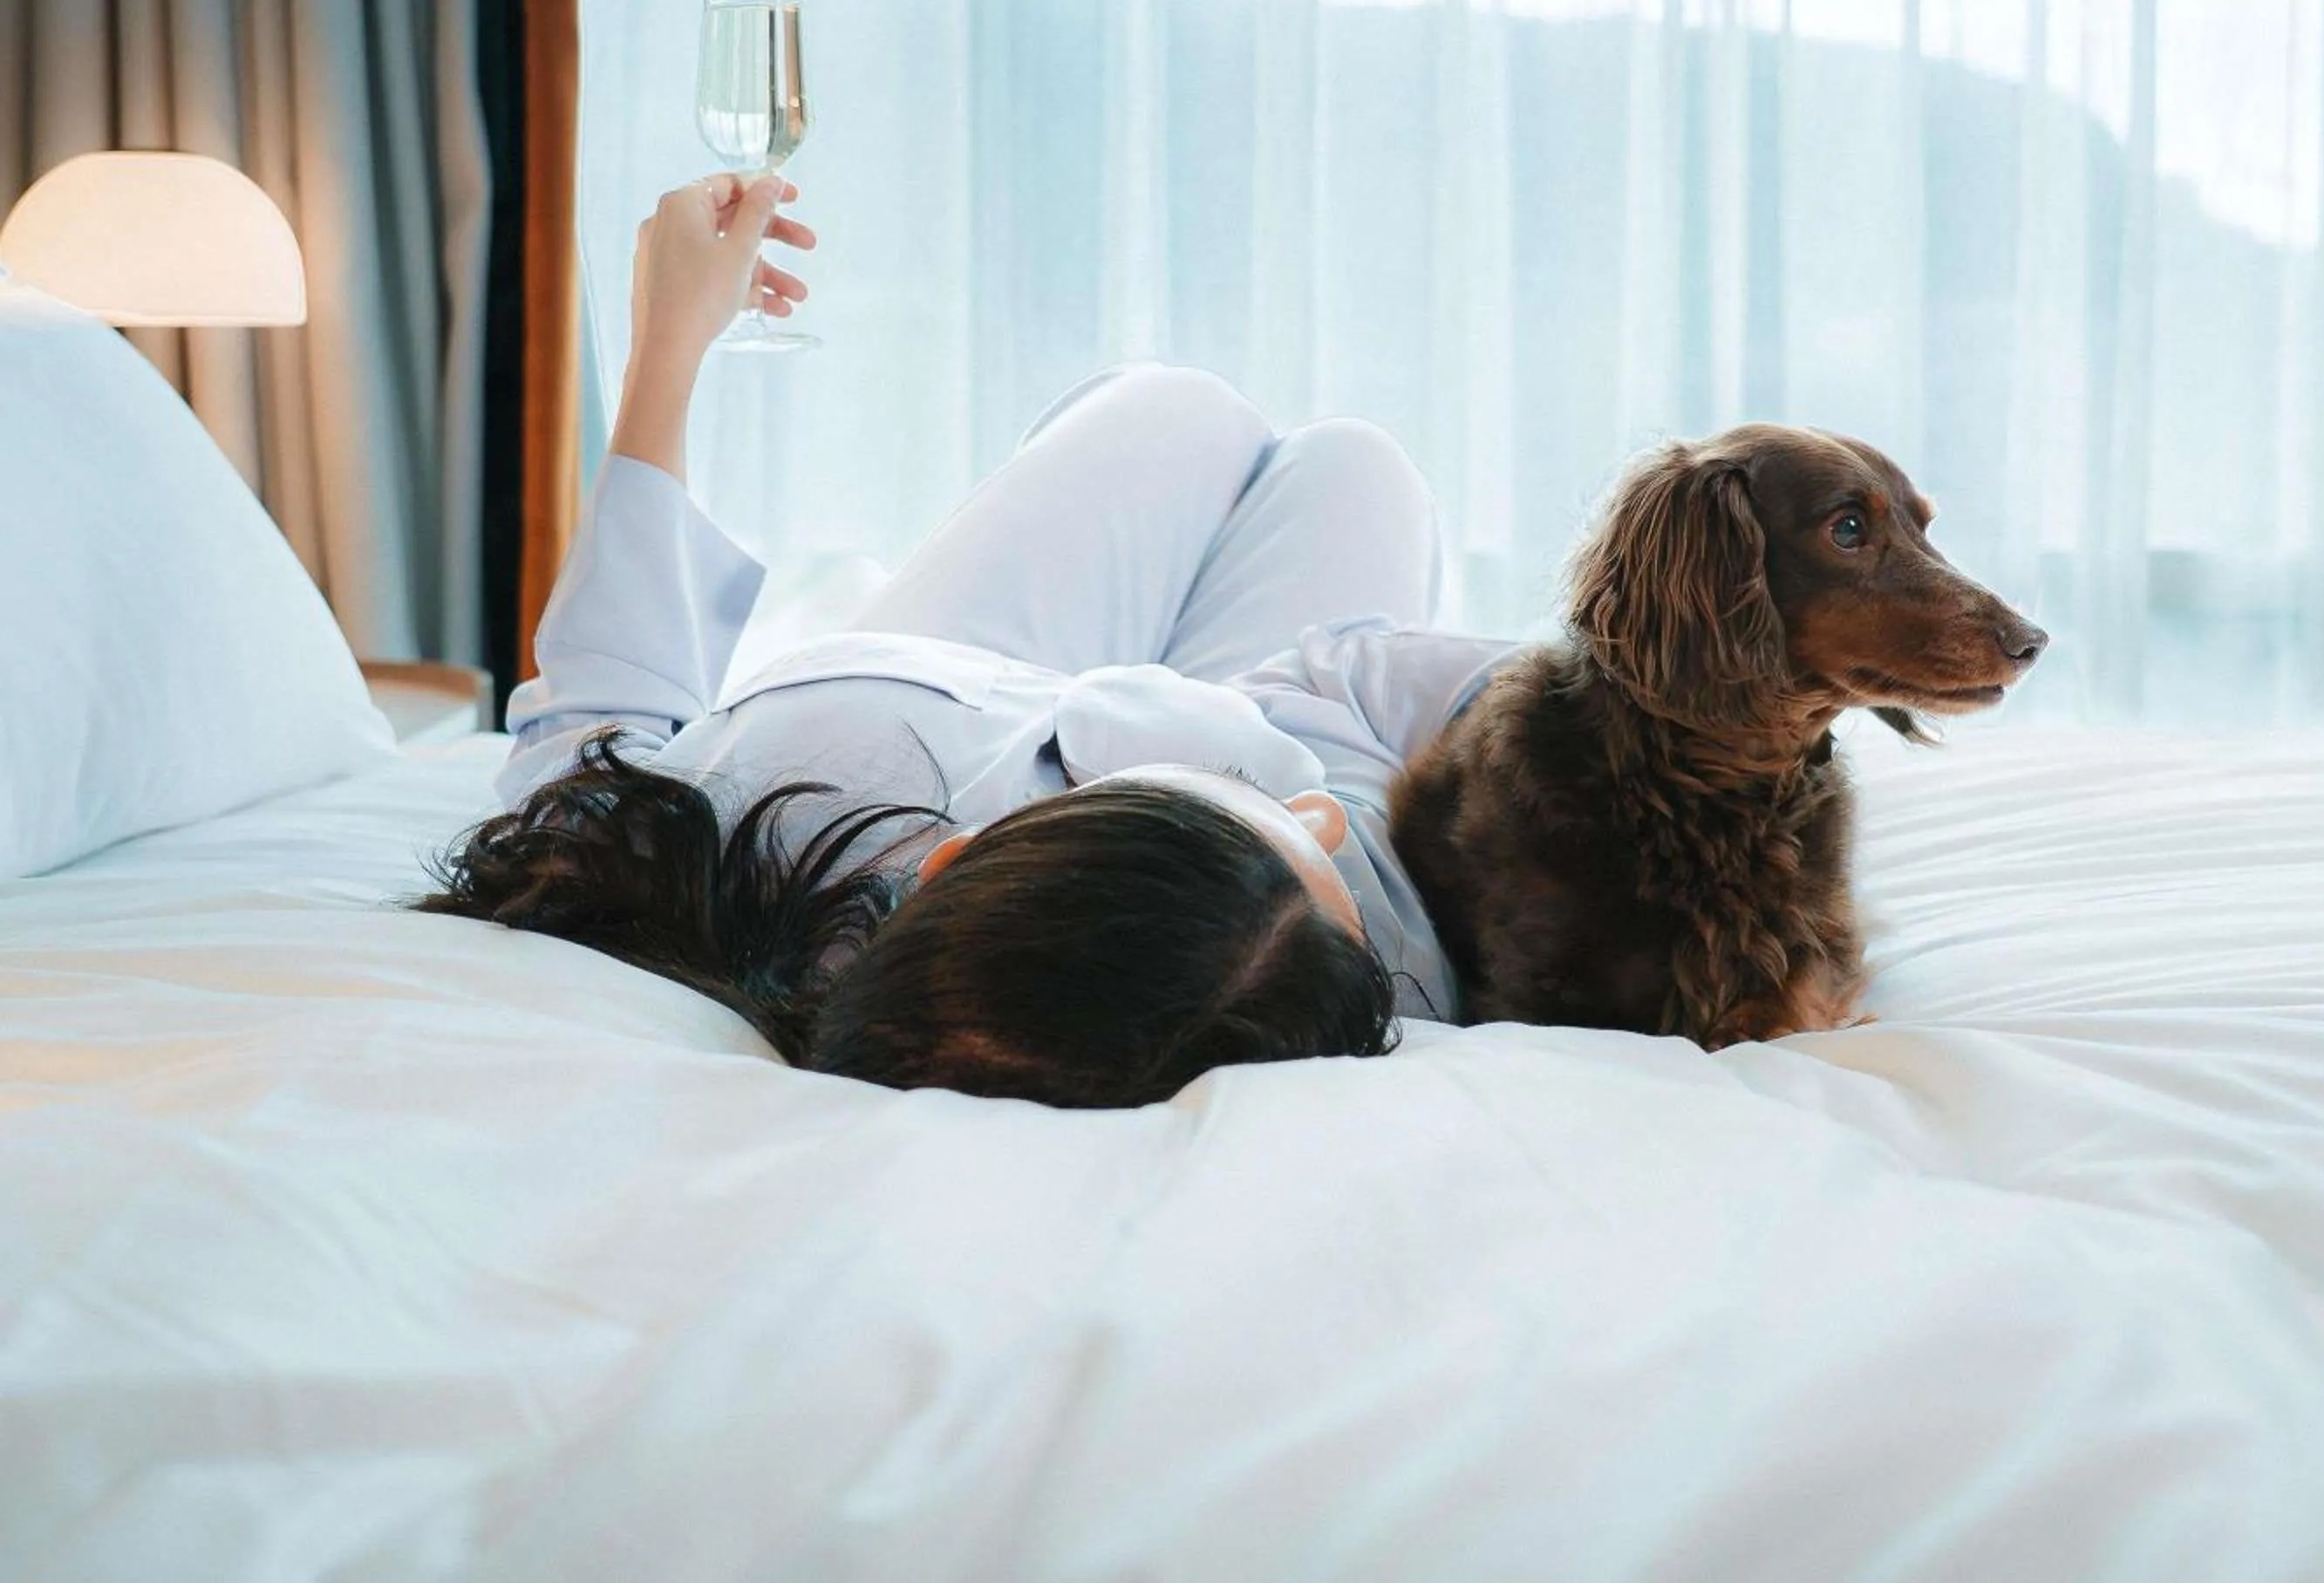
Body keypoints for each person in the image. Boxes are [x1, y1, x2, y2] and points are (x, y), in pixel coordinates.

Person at [421, 173, 1515, 1108]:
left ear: (952, 864)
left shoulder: (777, 823)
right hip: (1222, 733)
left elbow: (578, 758)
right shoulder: (1333, 964)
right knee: (1354, 467)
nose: (1320, 819)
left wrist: (668, 346)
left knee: (1178, 411)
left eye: (1268, 814)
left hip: (940, 713)